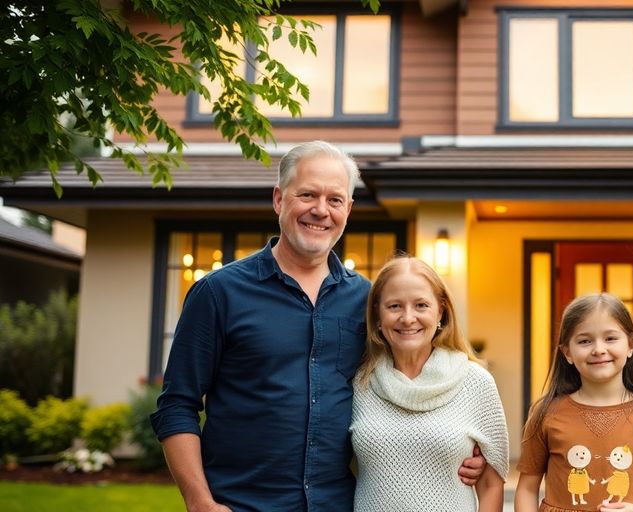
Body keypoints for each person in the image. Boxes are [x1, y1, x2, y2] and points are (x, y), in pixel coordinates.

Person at [149, 141, 483, 512]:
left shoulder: (369, 302)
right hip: (243, 503)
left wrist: (463, 446)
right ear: (279, 199)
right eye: (307, 194)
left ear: (348, 210)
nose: (320, 210)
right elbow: (177, 405)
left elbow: (409, 382)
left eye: (335, 200)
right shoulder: (218, 293)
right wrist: (199, 501)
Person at [350, 255, 509, 511]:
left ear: (441, 312)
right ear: (377, 315)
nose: (408, 318)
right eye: (394, 306)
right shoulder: (360, 383)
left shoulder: (476, 383)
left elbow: (492, 485)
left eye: (421, 305)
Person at [516, 293, 633, 512]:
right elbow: (527, 488)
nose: (599, 349)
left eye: (610, 338)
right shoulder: (546, 412)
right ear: (567, 353)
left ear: (631, 345)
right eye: (585, 341)